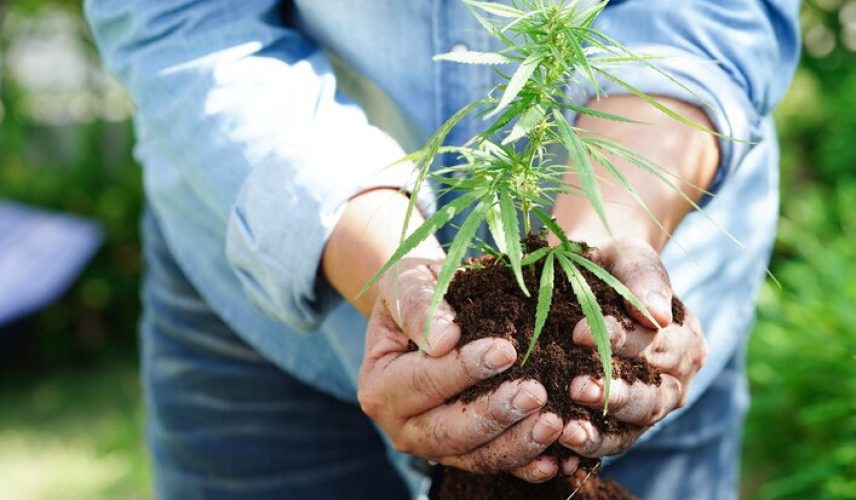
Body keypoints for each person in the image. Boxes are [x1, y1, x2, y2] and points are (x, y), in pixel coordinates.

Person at [84, 0, 800, 498]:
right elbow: (181, 20)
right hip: (260, 293)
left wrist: (604, 235)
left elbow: (715, 15)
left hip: (635, 336)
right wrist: (389, 262)